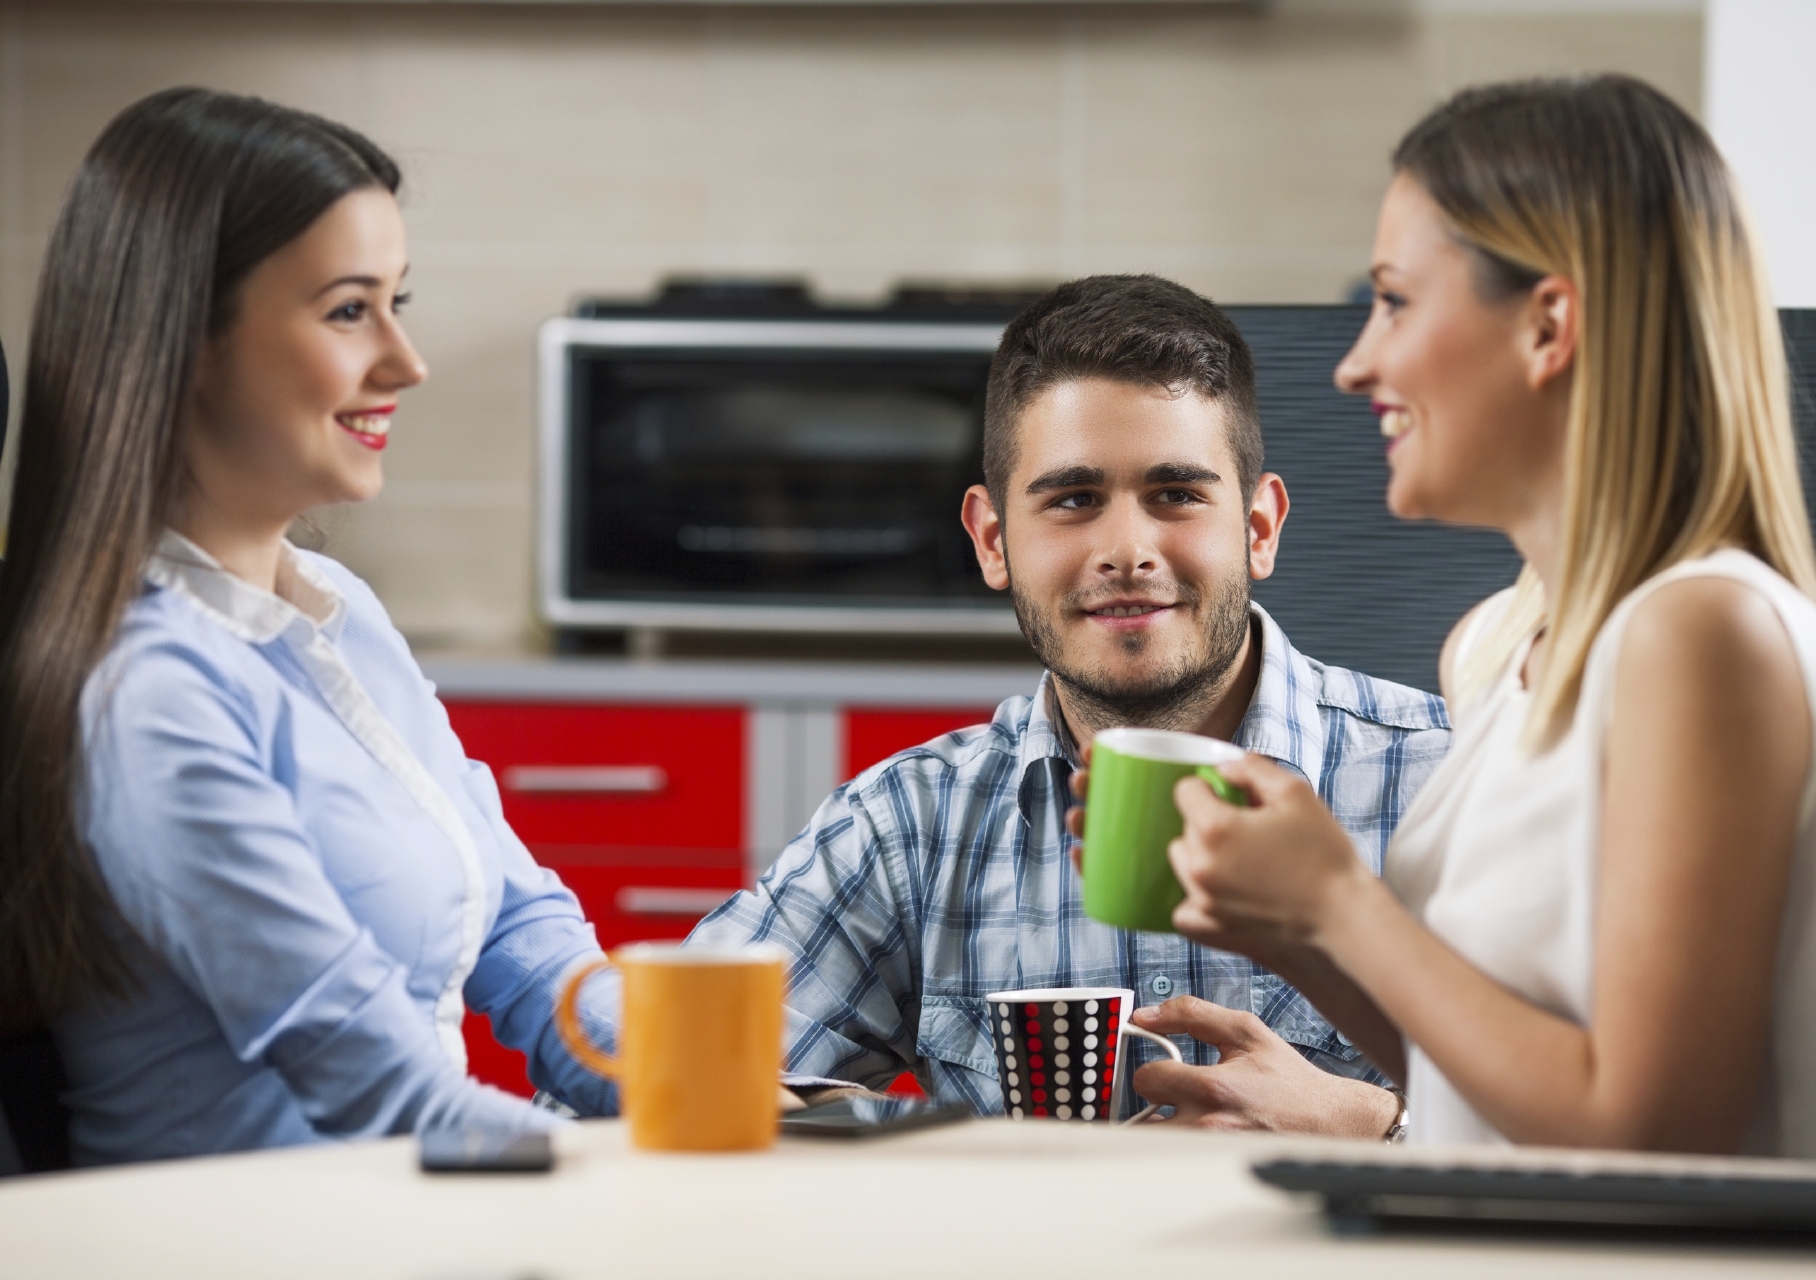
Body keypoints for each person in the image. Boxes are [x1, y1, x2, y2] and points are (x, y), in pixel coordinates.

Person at [1146, 76, 1816, 1158]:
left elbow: (1655, 1126)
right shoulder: (1497, 648)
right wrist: (1289, 922)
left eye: (1395, 300)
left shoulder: (1703, 632)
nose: (1357, 362)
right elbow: (1489, 1083)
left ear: (1548, 325)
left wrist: (1346, 901)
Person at [0, 88, 621, 1165]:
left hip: (406, 1207)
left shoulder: (343, 611)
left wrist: (716, 1083)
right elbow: (364, 1070)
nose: (406, 360)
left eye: (399, 301)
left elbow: (523, 931)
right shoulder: (147, 687)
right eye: (349, 311)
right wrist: (640, 1170)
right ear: (184, 340)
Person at [690, 275, 1449, 1135]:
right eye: (1074, 500)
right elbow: (661, 1074)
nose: (1126, 551)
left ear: (1259, 529)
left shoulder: (1451, 784)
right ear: (991, 540)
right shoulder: (911, 825)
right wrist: (928, 1146)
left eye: (1177, 495)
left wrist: (1386, 1128)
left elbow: (1617, 1141)